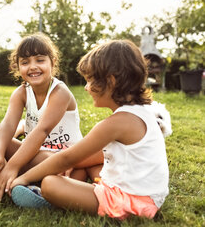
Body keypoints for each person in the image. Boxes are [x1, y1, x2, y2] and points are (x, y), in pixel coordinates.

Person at [10, 40, 171, 220]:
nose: (86, 88)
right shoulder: (143, 113)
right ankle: (76, 191)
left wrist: (23, 178)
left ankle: (48, 198)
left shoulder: (116, 123)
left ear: (111, 81)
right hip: (149, 198)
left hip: (130, 203)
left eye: (90, 81)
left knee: (50, 184)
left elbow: (66, 158)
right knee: (92, 164)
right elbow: (85, 157)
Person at [0, 33, 103, 202]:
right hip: (33, 154)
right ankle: (3, 174)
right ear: (17, 67)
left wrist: (13, 165)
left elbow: (42, 130)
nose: (33, 67)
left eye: (40, 60)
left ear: (52, 62)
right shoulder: (21, 93)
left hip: (62, 157)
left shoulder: (60, 93)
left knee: (72, 171)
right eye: (25, 62)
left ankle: (14, 179)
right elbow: (7, 125)